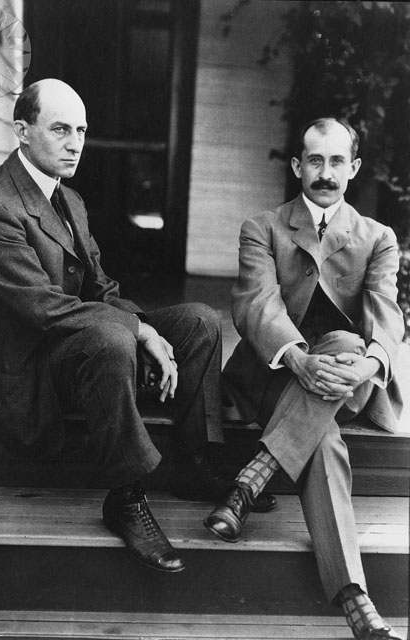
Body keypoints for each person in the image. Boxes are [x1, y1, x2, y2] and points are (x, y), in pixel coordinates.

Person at [0, 78, 274, 575]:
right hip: (33, 379)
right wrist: (139, 330)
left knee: (198, 321)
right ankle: (126, 496)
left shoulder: (70, 200)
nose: (75, 143)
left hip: (80, 351)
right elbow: (43, 308)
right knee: (112, 335)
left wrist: (145, 325)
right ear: (21, 131)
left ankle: (193, 462)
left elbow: (101, 289)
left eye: (81, 130)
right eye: (60, 129)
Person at [205, 117, 403, 639]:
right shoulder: (263, 226)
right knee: (326, 441)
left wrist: (369, 363)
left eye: (337, 161)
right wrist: (297, 359)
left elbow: (385, 312)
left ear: (354, 168)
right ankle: (355, 597)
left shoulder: (377, 237)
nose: (325, 172)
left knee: (350, 344)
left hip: (343, 375)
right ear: (297, 166)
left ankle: (251, 479)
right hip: (275, 373)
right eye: (315, 160)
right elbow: (256, 305)